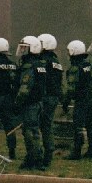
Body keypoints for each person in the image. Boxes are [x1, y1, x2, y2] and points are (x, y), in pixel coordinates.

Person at [14, 35, 47, 170]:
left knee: (30, 132)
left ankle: (34, 160)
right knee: (33, 131)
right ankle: (34, 158)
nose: (22, 51)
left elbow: (25, 88)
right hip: (38, 103)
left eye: (24, 48)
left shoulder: (30, 66)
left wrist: (17, 103)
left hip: (30, 104)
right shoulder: (41, 65)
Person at [62, 40, 92, 159]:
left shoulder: (75, 68)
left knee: (78, 126)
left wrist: (65, 102)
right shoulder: (89, 65)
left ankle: (76, 152)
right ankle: (91, 151)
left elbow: (71, 89)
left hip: (81, 101)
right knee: (91, 125)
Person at [38, 34, 64, 167]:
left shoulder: (43, 61)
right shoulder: (56, 61)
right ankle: (48, 151)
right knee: (47, 125)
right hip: (54, 97)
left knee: (41, 126)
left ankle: (44, 153)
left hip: (45, 97)